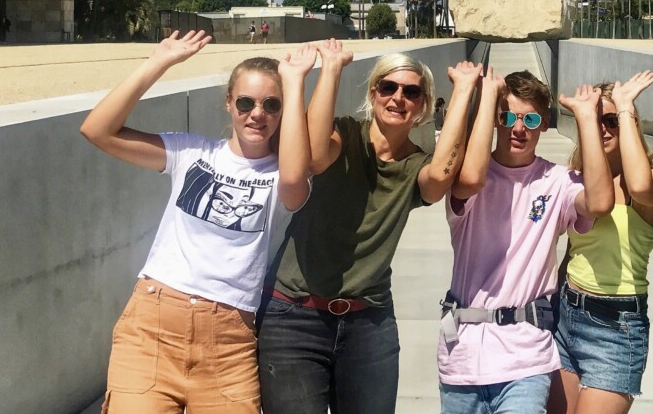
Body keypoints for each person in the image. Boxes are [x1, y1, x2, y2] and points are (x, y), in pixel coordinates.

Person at [79, 30, 316, 413]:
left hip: (228, 345)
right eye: (245, 102)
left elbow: (292, 182)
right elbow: (97, 130)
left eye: (272, 105)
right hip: (152, 330)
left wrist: (295, 81)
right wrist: (159, 62)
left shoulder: (284, 175)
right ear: (228, 103)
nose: (257, 114)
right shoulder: (189, 152)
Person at [258, 40, 482, 414]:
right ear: (373, 92)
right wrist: (331, 68)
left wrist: (462, 90)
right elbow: (312, 156)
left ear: (423, 105)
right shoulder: (343, 135)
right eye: (388, 87)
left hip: (369, 323)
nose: (398, 98)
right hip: (294, 319)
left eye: (412, 92)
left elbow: (443, 175)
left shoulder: (415, 168)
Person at [438, 69, 614, 413]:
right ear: (494, 120)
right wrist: (487, 94)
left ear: (544, 123)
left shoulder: (558, 181)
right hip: (462, 354)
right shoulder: (469, 175)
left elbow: (600, 202)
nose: (518, 129)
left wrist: (586, 120)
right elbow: (471, 179)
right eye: (507, 117)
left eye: (530, 119)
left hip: (525, 357)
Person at [550, 71, 653, 414]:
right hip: (566, 316)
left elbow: (642, 186)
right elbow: (572, 252)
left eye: (611, 120)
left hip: (616, 327)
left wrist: (626, 105)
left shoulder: (650, 183)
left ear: (629, 123)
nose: (601, 129)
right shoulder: (577, 182)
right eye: (595, 119)